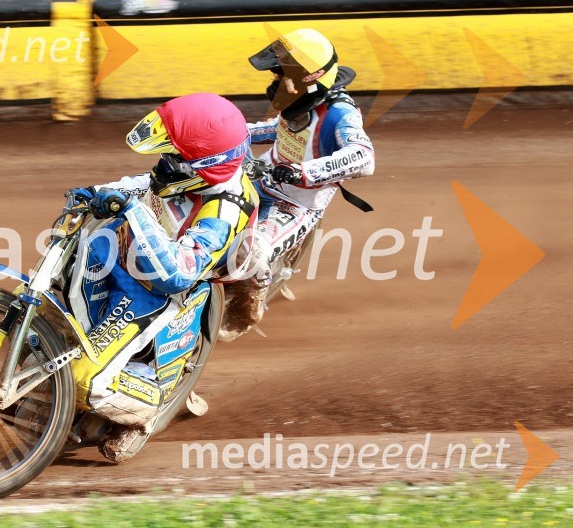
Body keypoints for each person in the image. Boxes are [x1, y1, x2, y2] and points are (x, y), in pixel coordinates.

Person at [66, 92, 259, 462]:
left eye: (175, 159)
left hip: (166, 294)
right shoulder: (192, 178)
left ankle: (145, 412)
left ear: (203, 166)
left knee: (84, 380)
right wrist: (97, 192)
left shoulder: (224, 211)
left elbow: (177, 274)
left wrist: (134, 212)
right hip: (132, 263)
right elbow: (141, 185)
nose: (164, 165)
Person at [219, 28, 376, 340]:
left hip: (297, 202)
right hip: (261, 176)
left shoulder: (340, 114)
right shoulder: (299, 100)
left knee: (252, 250)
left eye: (280, 75)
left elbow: (364, 157)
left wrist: (302, 172)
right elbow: (274, 131)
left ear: (308, 77)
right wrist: (219, 135)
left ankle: (250, 309)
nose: (275, 80)